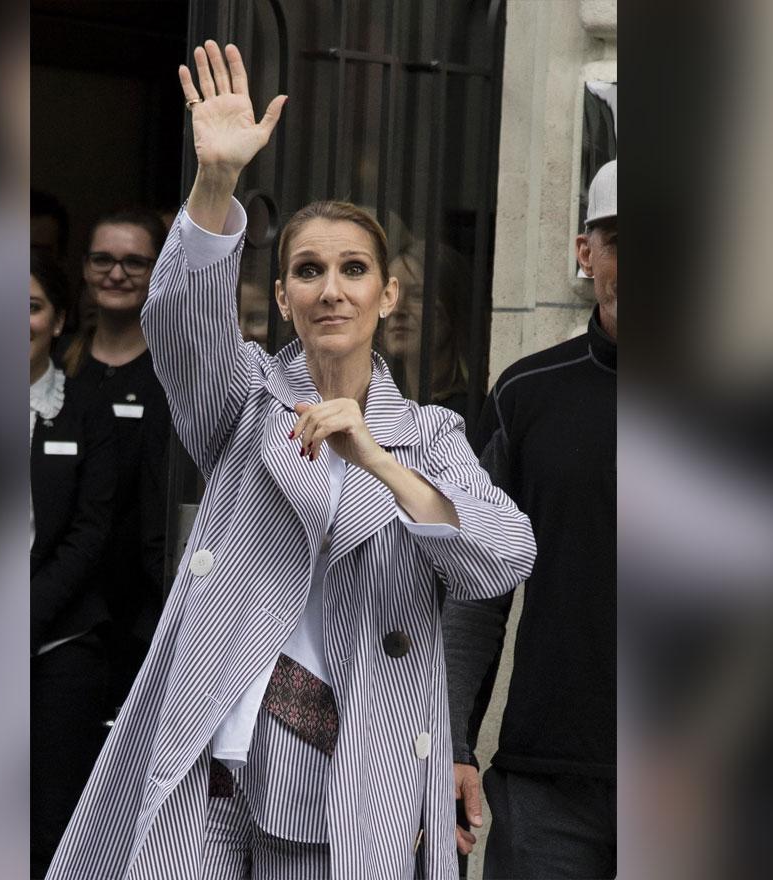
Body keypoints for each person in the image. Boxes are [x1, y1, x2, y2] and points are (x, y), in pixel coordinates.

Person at [46, 40, 535, 880]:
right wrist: (215, 182)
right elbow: (182, 325)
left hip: (342, 771)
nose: (331, 289)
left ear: (388, 294)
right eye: (308, 271)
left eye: (353, 270)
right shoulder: (243, 401)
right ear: (282, 297)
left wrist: (375, 456)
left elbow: (504, 556)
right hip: (211, 755)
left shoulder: (430, 435)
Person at [445, 159, 617, 878]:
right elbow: (478, 584)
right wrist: (455, 739)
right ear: (587, 252)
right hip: (548, 786)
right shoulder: (527, 394)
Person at [29, 249, 119, 878]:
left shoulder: (85, 407)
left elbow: (92, 532)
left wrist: (21, 617)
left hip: (56, 638)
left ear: (58, 320)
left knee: (50, 820)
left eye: (30, 307)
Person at [61, 208, 173, 713]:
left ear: (159, 269)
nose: (116, 273)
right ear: (83, 269)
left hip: (143, 603)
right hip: (60, 604)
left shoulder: (176, 378)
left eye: (134, 262)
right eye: (102, 259)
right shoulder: (58, 366)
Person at [384, 241, 472, 421]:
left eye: (418, 295)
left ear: (451, 310)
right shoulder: (388, 410)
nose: (397, 309)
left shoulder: (464, 418)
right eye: (389, 295)